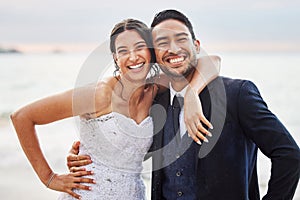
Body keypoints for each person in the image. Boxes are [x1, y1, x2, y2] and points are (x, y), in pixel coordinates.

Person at [68, 9, 300, 200]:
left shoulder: (237, 94)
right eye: (162, 43)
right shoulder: (155, 103)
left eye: (180, 39)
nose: (173, 49)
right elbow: (131, 146)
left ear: (197, 45)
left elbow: (289, 155)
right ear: (155, 55)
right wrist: (89, 153)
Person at [10, 18, 219, 199]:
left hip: (134, 194)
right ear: (115, 58)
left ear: (151, 51)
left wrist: (192, 93)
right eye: (123, 51)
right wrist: (49, 178)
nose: (133, 57)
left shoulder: (155, 89)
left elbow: (212, 61)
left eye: (139, 47)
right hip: (88, 194)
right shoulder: (99, 94)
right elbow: (22, 117)